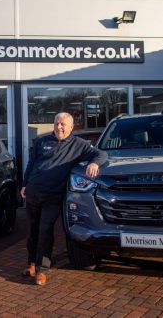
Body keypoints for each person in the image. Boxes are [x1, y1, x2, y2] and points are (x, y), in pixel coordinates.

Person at [21, 112, 107, 286]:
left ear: (71, 127)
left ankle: (42, 270)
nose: (59, 127)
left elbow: (101, 154)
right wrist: (24, 184)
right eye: (57, 123)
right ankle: (31, 263)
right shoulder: (41, 142)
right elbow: (31, 164)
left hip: (53, 196)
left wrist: (94, 163)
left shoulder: (79, 145)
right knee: (32, 231)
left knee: (45, 230)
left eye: (63, 124)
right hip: (33, 192)